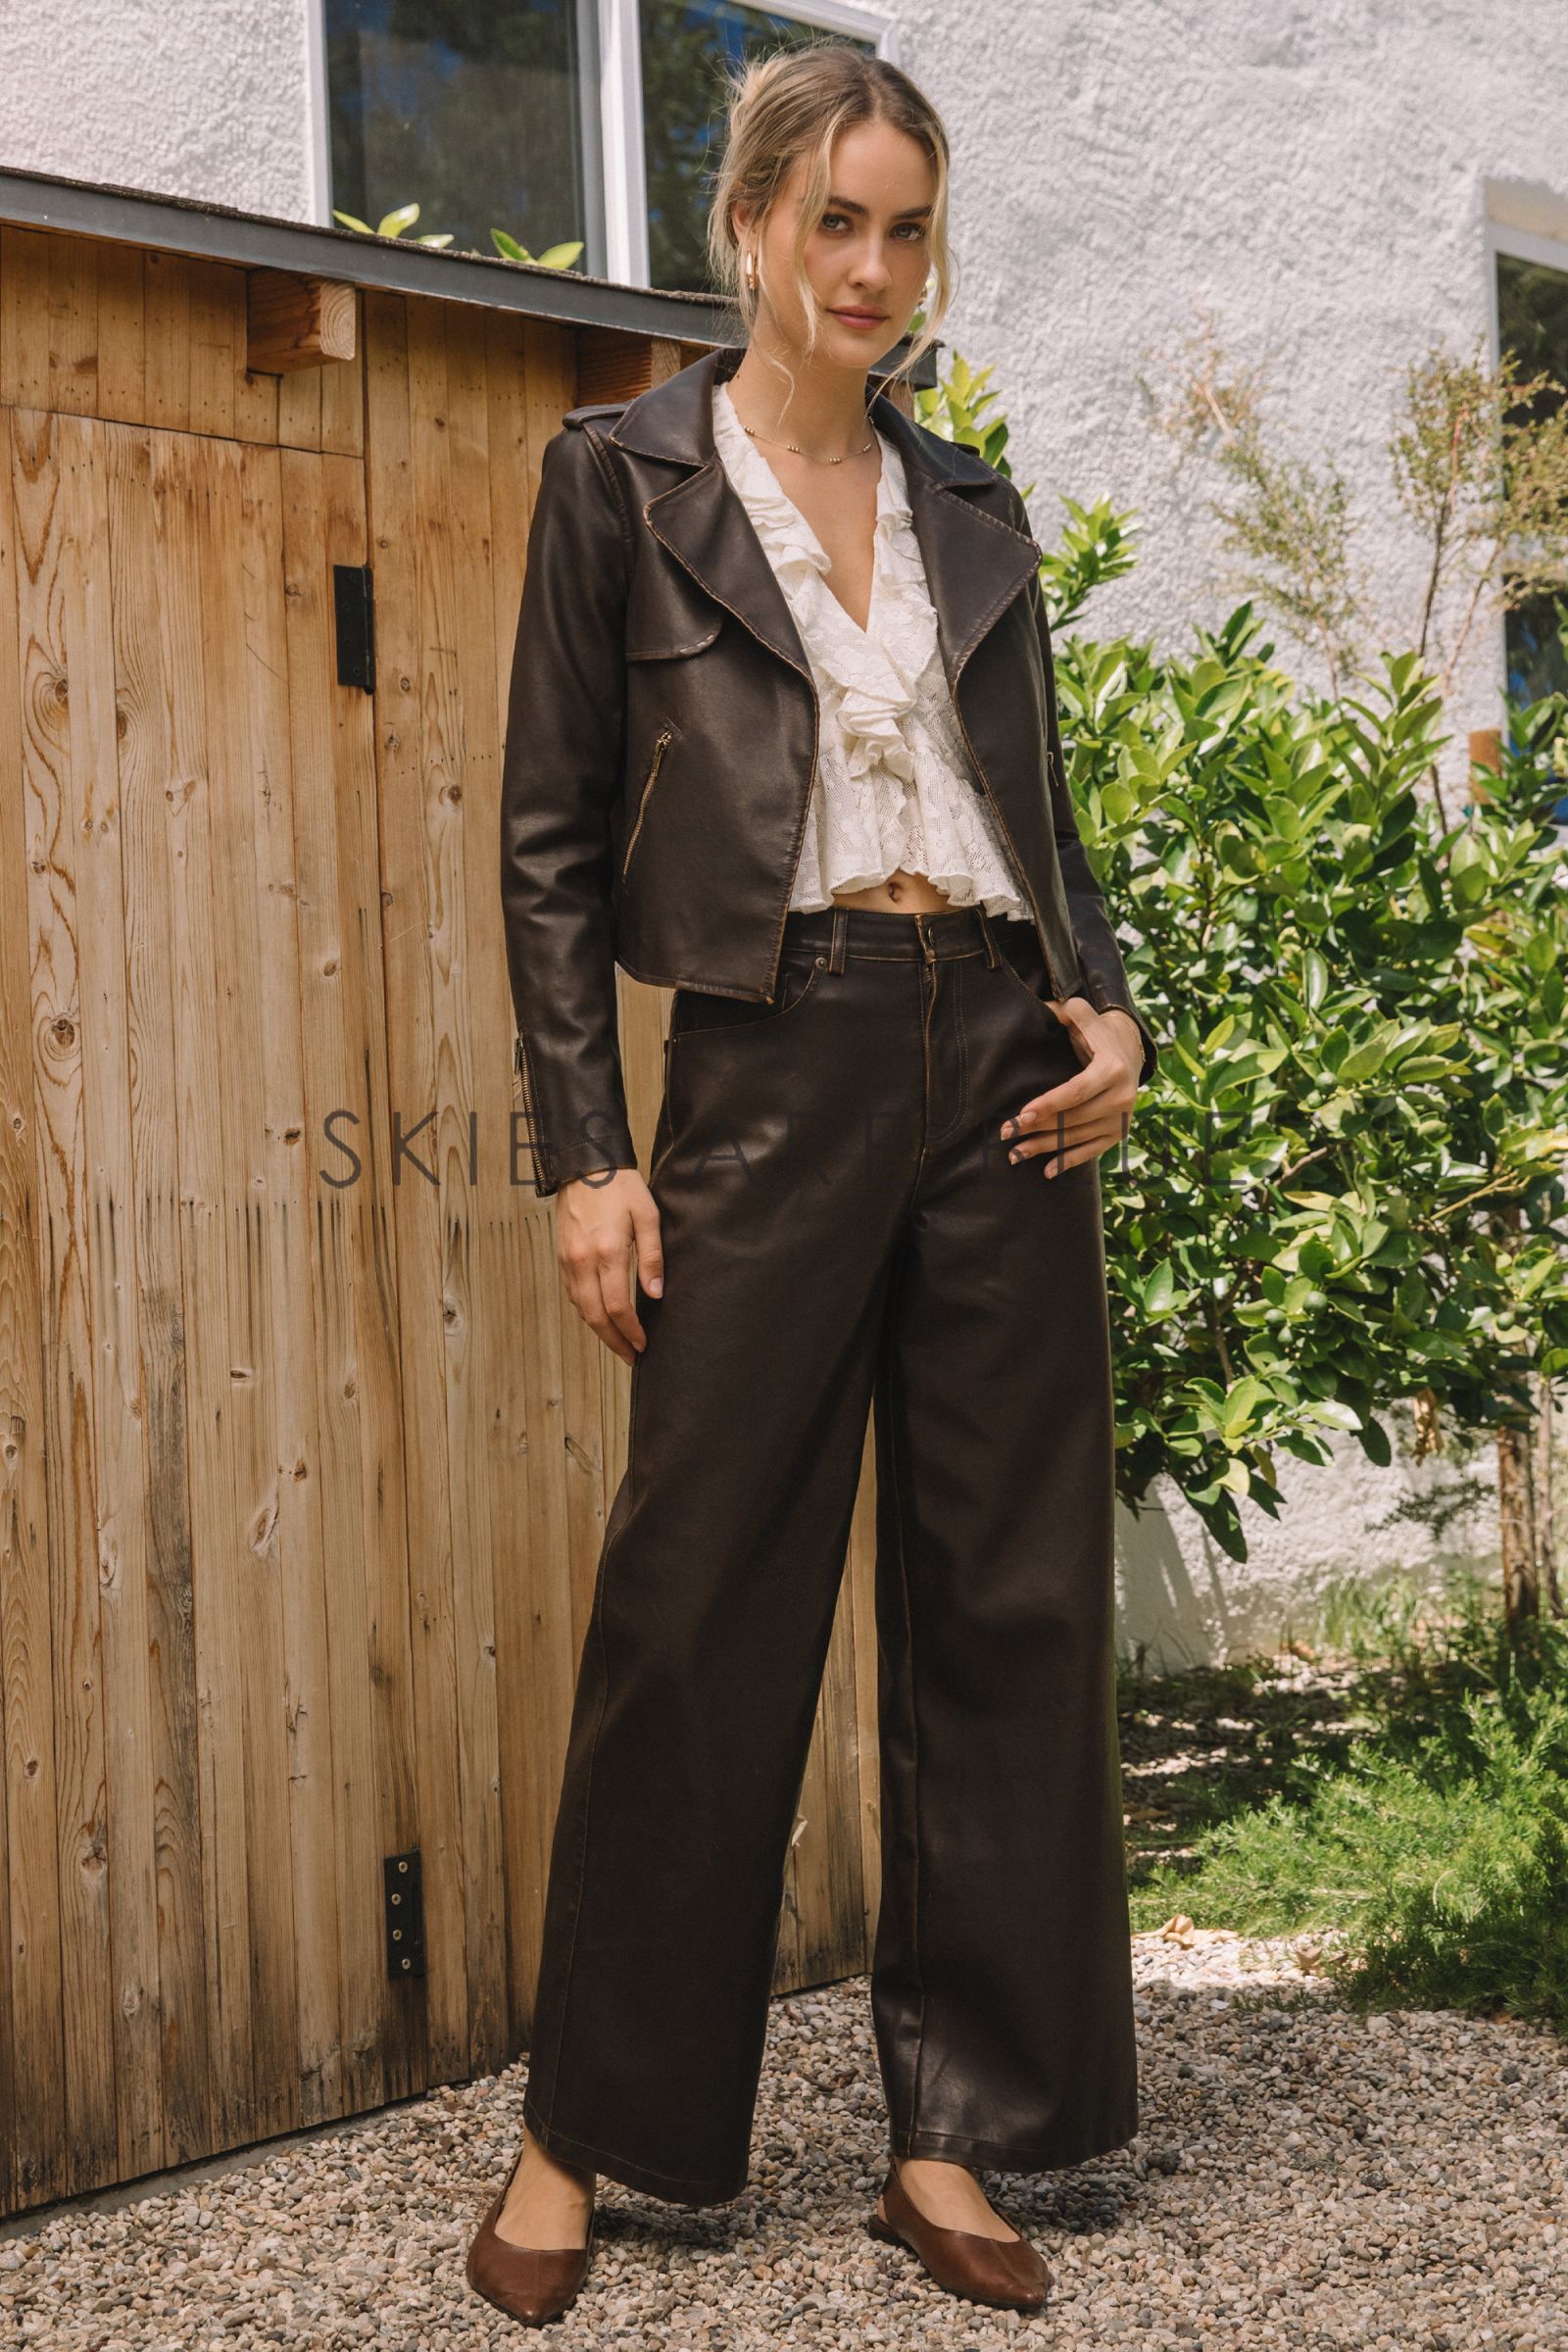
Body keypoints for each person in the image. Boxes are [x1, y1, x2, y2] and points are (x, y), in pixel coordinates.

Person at [466, 39, 1158, 2330]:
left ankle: (946, 2132)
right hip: (767, 1059)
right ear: (748, 224)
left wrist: (1106, 1012)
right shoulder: (623, 481)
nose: (871, 267)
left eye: (905, 227)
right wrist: (589, 1151)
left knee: (1004, 1605)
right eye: (833, 220)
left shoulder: (970, 503)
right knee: (697, 1604)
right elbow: (548, 841)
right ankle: (585, 2131)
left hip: (1000, 1067)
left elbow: (1038, 813)